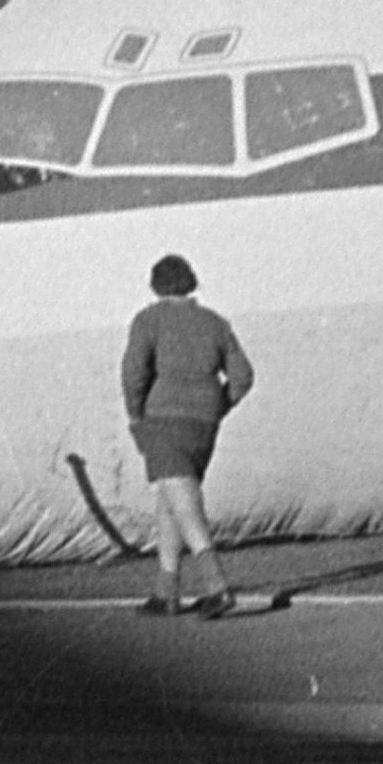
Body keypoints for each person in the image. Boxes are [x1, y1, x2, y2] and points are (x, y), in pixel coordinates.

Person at [117, 254, 256, 618]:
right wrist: (219, 406)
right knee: (170, 497)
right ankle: (167, 591)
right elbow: (242, 377)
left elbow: (133, 373)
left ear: (155, 285)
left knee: (182, 502)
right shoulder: (215, 323)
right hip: (205, 422)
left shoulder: (148, 320)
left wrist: (135, 415)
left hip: (164, 418)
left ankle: (216, 585)